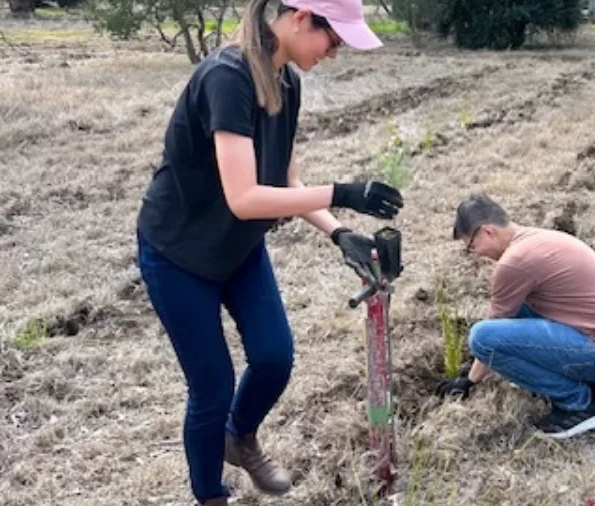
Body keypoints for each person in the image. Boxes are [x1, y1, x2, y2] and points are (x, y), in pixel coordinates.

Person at [134, 0, 402, 504]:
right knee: (212, 387)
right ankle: (211, 494)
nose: (335, 53)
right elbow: (244, 198)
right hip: (179, 253)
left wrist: (338, 231)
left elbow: (284, 180)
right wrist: (341, 191)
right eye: (334, 40)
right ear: (301, 19)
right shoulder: (226, 78)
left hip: (238, 247)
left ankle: (240, 435)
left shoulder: (287, 82)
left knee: (275, 357)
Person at [435, 195, 595, 440]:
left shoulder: (514, 263)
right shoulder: (539, 238)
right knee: (517, 309)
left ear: (487, 232)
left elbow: (490, 334)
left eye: (472, 246)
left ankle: (580, 404)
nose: (476, 254)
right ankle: (591, 382)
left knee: (482, 338)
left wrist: (469, 382)